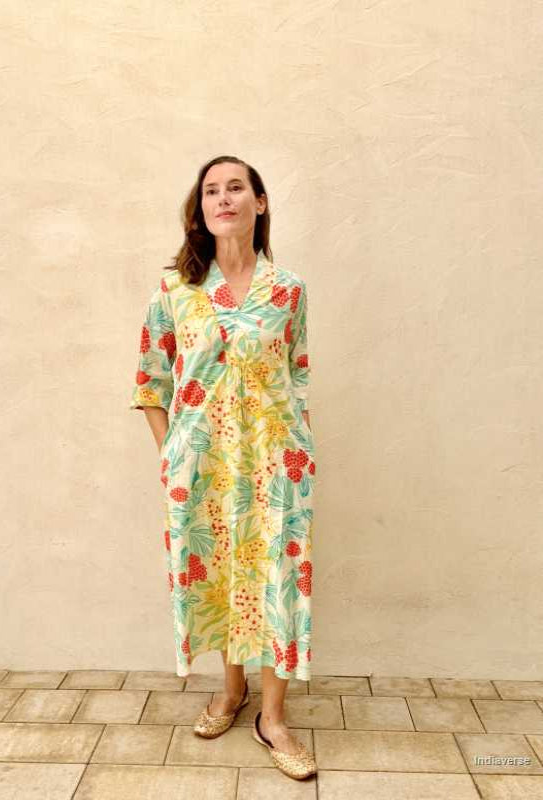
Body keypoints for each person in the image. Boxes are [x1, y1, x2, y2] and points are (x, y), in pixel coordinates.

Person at [130, 155, 317, 779]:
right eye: (212, 190)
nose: (224, 198)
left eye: (236, 187)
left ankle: (273, 716)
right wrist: (172, 456)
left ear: (259, 203)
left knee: (275, 579)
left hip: (276, 463)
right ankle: (231, 690)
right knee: (219, 573)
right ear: (200, 209)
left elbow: (297, 374)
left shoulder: (288, 289)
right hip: (202, 464)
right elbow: (150, 380)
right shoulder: (175, 290)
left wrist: (301, 449)